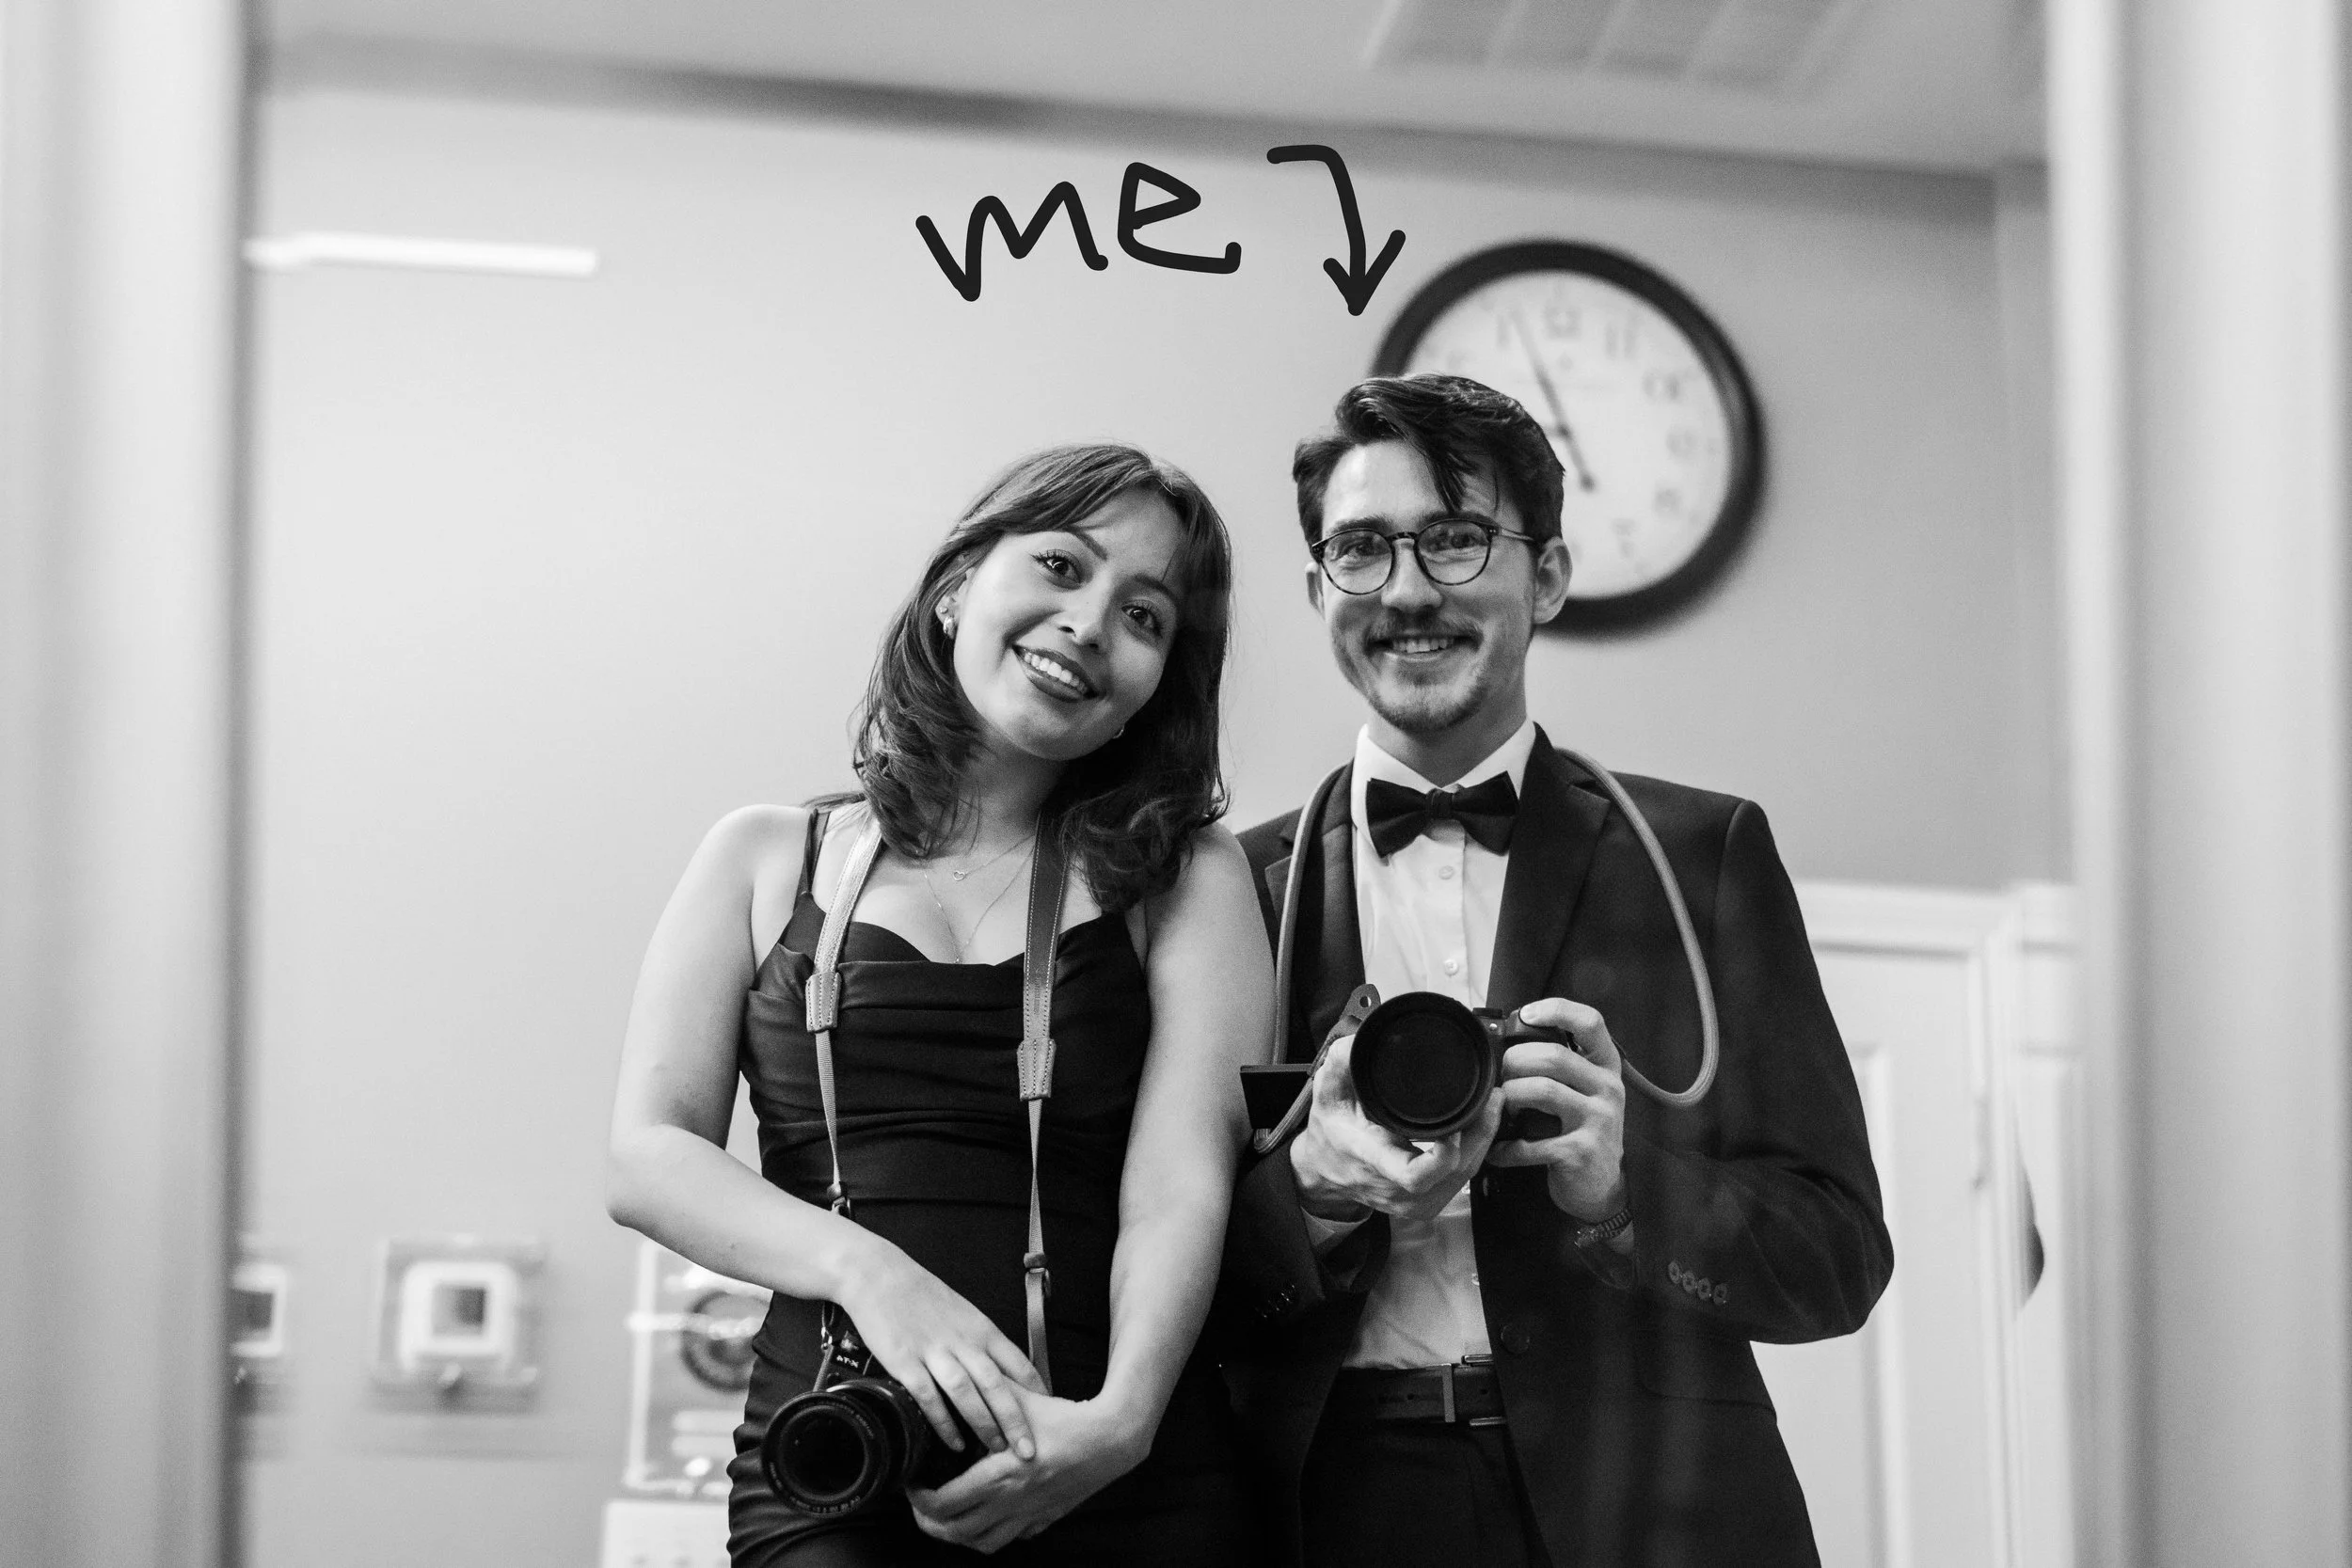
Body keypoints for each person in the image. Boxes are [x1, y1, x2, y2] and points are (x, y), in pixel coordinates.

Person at [1216, 375, 1895, 1568]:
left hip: (1654, 1514)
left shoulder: (1700, 856)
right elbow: (1144, 1275)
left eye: (1457, 537)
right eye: (1363, 549)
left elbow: (1837, 1260)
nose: (1410, 588)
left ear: (1549, 576)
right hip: (1324, 1514)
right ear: (1317, 588)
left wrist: (1627, 1189)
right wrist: (1308, 1193)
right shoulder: (1226, 891)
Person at [608, 445, 1270, 1565]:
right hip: (835, 1461)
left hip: (1119, 1464)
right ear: (958, 583)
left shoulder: (1187, 877)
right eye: (1060, 565)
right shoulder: (764, 854)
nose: (1087, 622)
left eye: (1145, 616)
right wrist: (871, 1273)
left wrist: (1121, 1419)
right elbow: (646, 1156)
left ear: (1160, 683)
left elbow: (1180, 1180)